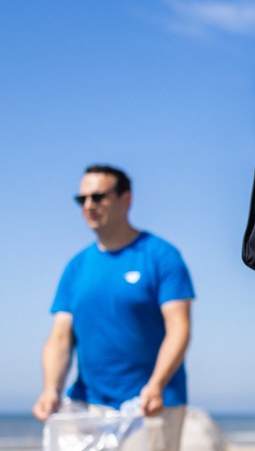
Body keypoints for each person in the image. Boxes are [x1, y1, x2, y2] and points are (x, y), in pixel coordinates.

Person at [32, 165, 195, 451]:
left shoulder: (161, 256)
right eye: (82, 199)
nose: (89, 205)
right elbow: (60, 337)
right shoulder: (76, 266)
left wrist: (157, 384)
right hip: (86, 405)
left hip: (151, 404)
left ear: (125, 199)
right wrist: (51, 389)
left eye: (98, 197)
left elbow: (179, 328)